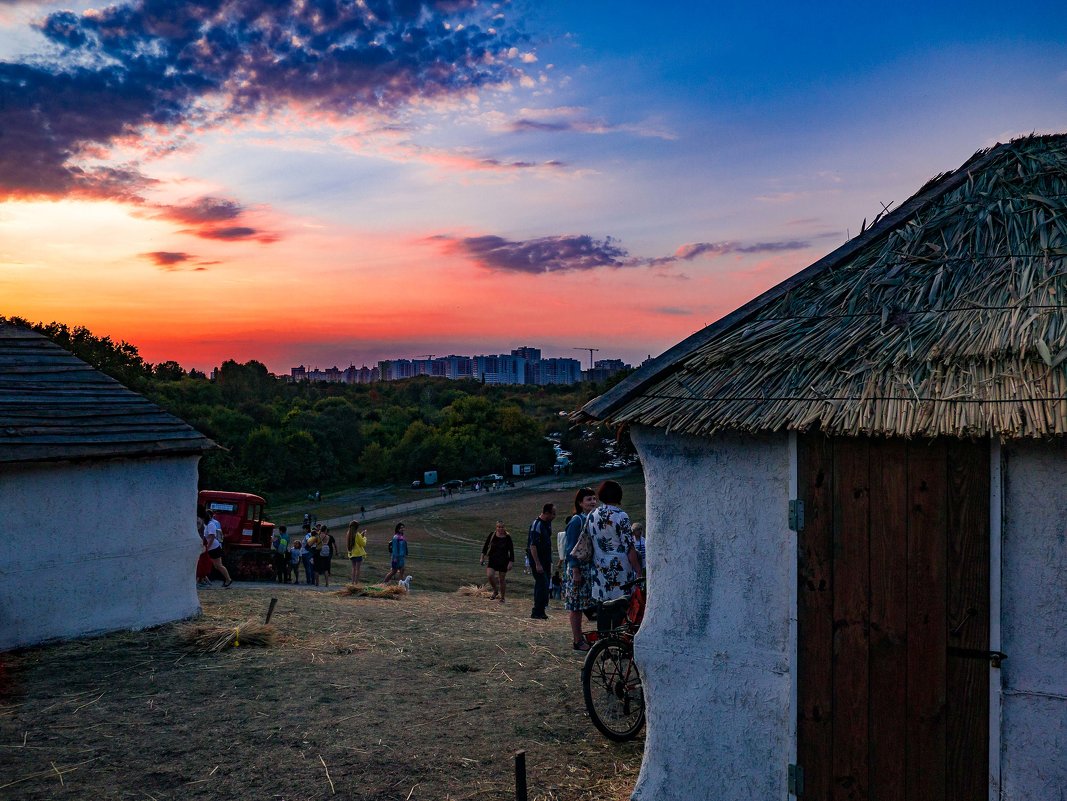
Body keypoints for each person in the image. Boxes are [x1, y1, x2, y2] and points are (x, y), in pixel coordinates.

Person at [587, 480, 642, 635]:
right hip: (619, 569)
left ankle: (603, 642)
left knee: (602, 606)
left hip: (599, 567)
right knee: (620, 605)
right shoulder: (621, 516)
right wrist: (638, 570)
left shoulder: (592, 515)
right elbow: (629, 546)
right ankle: (617, 640)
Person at [562, 487, 597, 650]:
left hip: (588, 568)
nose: (592, 502)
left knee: (584, 604)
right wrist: (575, 570)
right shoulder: (577, 520)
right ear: (580, 503)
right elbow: (570, 548)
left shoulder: (591, 519)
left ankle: (584, 637)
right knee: (575, 606)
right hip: (578, 569)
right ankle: (577, 640)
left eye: (594, 499)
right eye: (589, 499)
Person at [527, 502, 555, 620]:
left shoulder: (547, 524)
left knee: (545, 585)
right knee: (541, 584)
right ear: (547, 513)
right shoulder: (536, 524)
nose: (555, 516)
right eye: (553, 514)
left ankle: (542, 610)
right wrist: (537, 563)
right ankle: (537, 611)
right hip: (538, 560)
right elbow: (533, 545)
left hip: (546, 559)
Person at [480, 521, 515, 603]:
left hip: (503, 560)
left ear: (504, 528)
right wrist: (482, 557)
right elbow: (485, 547)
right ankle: (495, 591)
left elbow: (511, 551)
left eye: (502, 527)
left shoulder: (507, 537)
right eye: (498, 527)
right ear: (496, 527)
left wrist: (511, 562)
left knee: (502, 579)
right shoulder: (492, 535)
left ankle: (502, 597)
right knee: (490, 575)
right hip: (492, 559)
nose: (500, 529)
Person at [203, 509, 233, 588]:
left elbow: (212, 536)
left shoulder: (211, 524)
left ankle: (228, 579)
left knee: (218, 565)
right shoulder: (205, 524)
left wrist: (207, 547)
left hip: (213, 547)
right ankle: (204, 580)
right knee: (205, 564)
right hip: (209, 547)